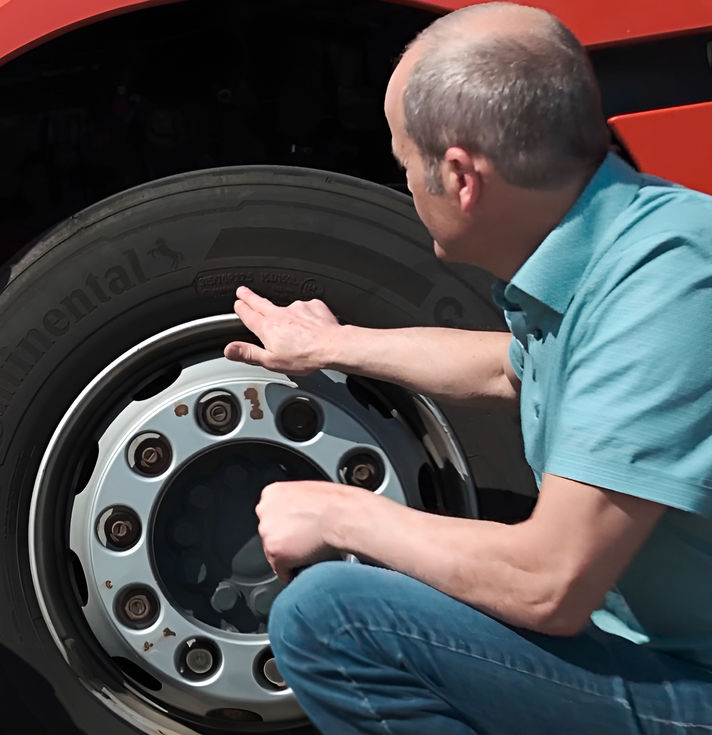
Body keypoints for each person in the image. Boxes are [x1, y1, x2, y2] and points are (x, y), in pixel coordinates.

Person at [225, 3, 712, 732]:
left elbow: (551, 583)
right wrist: (332, 345)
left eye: (404, 165)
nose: (407, 187)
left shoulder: (670, 283)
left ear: (460, 177)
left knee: (330, 620)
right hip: (666, 654)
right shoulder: (629, 241)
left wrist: (342, 513)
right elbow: (513, 370)